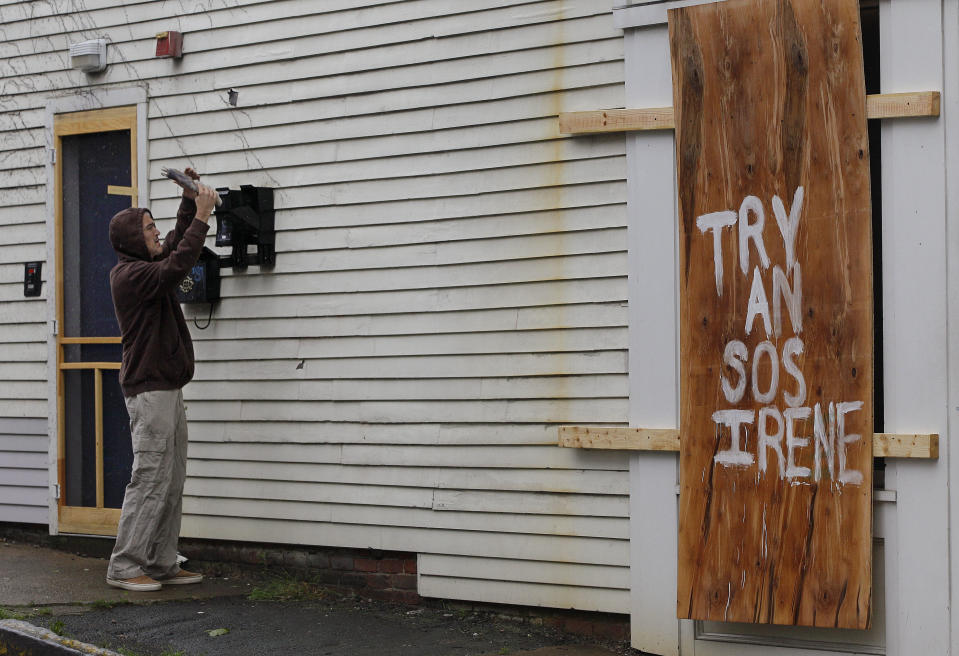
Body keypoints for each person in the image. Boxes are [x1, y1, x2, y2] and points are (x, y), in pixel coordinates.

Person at [105, 168, 218, 591]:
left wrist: (189, 202)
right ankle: (124, 565)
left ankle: (160, 560)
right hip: (149, 389)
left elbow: (173, 247)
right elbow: (176, 265)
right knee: (150, 475)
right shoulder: (130, 276)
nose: (156, 234)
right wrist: (203, 219)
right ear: (133, 239)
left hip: (168, 388)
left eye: (154, 226)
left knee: (172, 477)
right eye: (149, 228)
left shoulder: (147, 264)